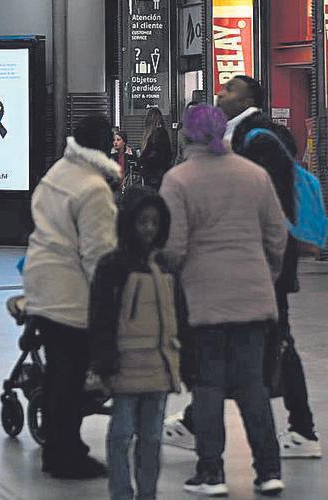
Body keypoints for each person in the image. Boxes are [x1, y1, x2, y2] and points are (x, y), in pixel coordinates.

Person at [163, 75, 322, 461]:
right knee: (264, 345)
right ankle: (198, 422)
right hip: (255, 269)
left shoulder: (258, 139)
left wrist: (269, 271)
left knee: (273, 345)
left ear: (250, 98)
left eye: (230, 88)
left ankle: (301, 430)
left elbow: (273, 213)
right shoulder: (250, 137)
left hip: (258, 270)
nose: (220, 92)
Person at [159, 104, 288, 497]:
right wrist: (266, 273)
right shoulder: (255, 176)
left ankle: (211, 473)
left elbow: (174, 247)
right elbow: (277, 236)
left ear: (188, 136)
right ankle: (268, 471)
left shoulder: (178, 180)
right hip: (254, 295)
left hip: (204, 300)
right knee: (253, 386)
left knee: (209, 385)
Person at [22, 114, 120, 479]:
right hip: (70, 291)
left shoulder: (60, 171)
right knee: (71, 374)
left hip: (41, 281)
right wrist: (111, 300)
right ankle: (64, 454)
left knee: (57, 372)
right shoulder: (93, 188)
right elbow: (99, 254)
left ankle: (62, 445)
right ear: (102, 141)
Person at [88, 186, 181, 500]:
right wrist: (103, 359)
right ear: (129, 222)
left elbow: (176, 317)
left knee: (151, 437)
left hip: (158, 367)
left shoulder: (165, 267)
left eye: (154, 222)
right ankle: (121, 493)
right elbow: (100, 317)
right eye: (143, 221)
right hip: (125, 367)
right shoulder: (113, 266)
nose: (149, 229)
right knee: (122, 435)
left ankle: (147, 493)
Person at [138, 107, 175, 191]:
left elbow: (152, 155)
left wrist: (141, 160)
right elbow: (167, 155)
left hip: (153, 175)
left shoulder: (154, 136)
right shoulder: (163, 133)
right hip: (160, 174)